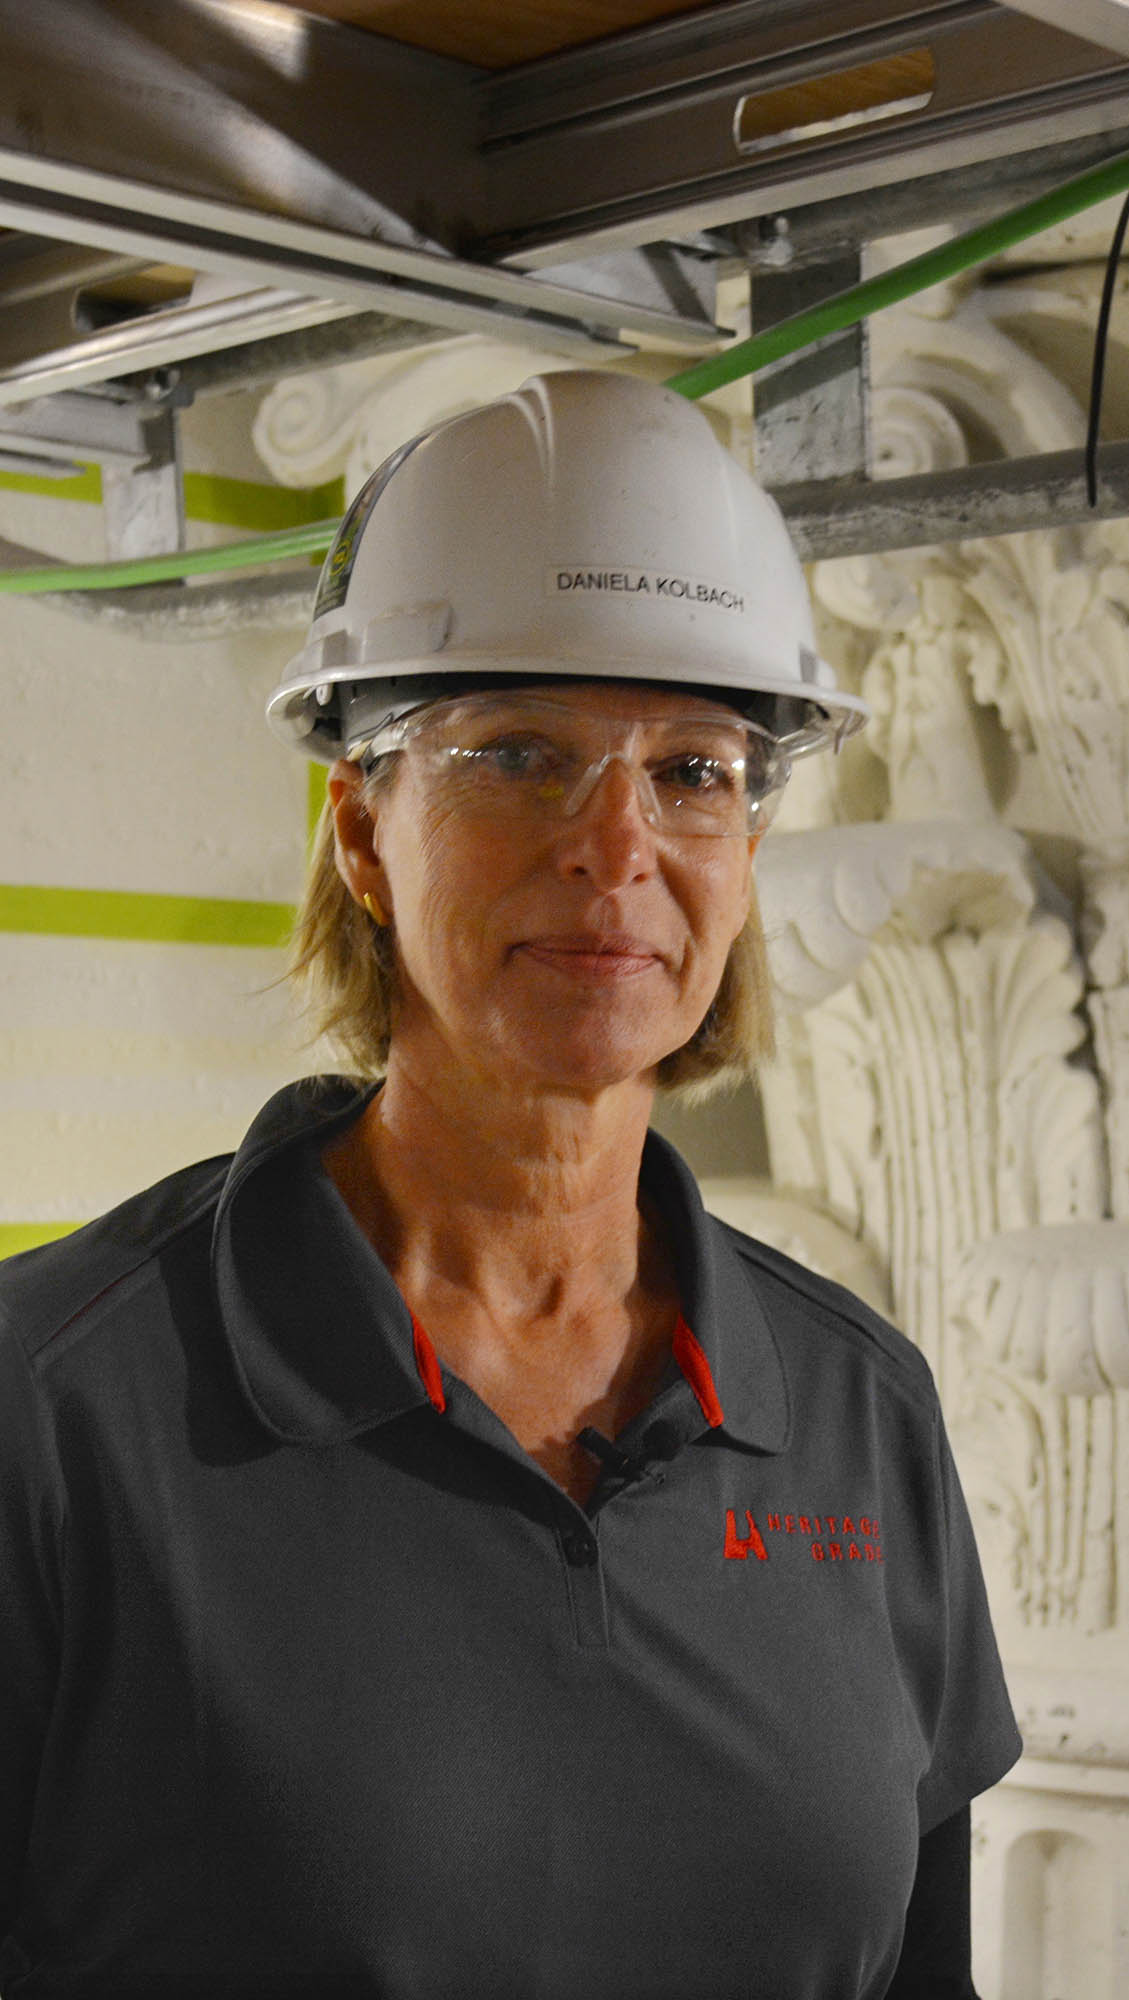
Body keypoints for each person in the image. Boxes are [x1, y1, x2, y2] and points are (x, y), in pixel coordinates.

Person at [0, 371, 1020, 1998]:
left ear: (747, 852)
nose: (616, 847)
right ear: (359, 831)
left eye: (694, 771)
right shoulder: (56, 1408)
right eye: (522, 753)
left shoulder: (855, 1410)